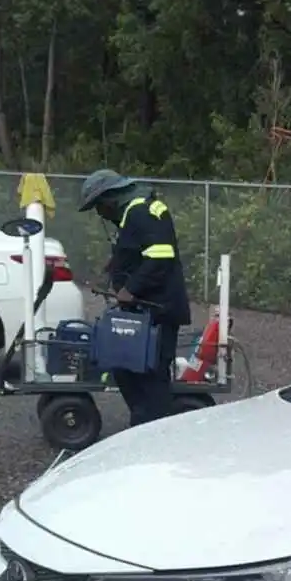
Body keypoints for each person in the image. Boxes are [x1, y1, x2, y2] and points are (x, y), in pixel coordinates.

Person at [76, 169, 192, 427]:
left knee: (150, 379)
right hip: (146, 312)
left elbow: (161, 256)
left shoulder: (140, 212)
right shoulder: (133, 214)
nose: (98, 213)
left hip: (157, 312)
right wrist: (114, 265)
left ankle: (153, 433)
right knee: (126, 370)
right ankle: (144, 425)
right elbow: (141, 249)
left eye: (97, 206)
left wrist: (131, 289)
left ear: (109, 199)